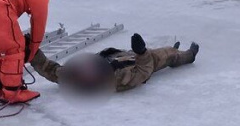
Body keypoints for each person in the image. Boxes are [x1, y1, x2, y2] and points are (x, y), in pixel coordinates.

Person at [30, 33, 199, 94]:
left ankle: (174, 50)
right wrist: (141, 52)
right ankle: (188, 55)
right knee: (166, 55)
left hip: (122, 56)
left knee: (165, 51)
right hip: (140, 62)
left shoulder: (72, 73)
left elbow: (49, 68)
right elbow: (143, 71)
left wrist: (32, 52)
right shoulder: (118, 80)